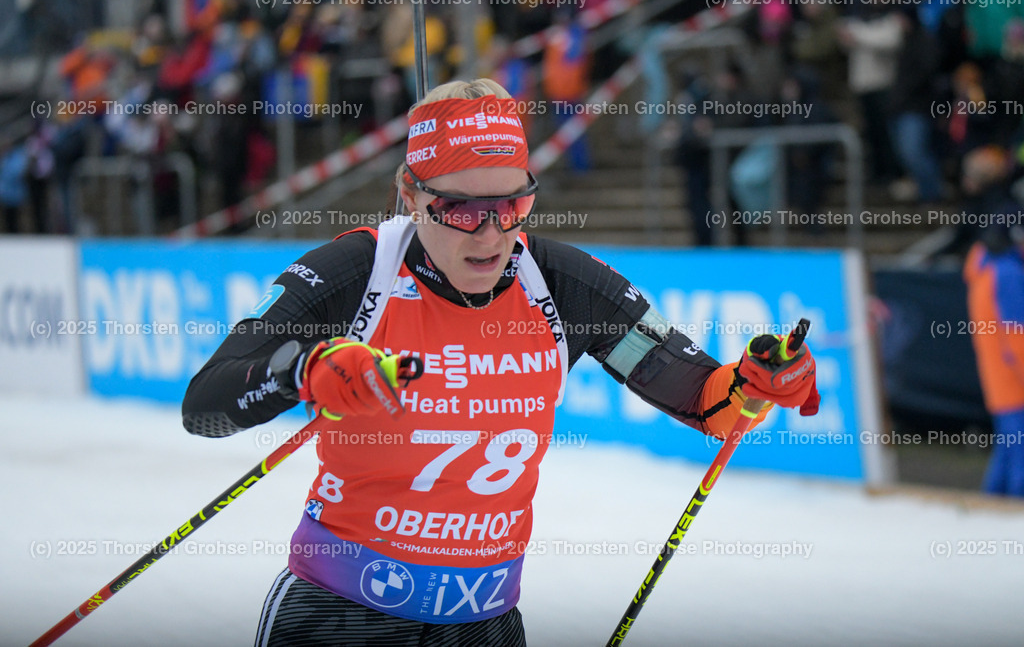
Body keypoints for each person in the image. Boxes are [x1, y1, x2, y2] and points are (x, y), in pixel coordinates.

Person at [182, 78, 820, 645]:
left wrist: (755, 381)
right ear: (410, 192)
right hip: (341, 615)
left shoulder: (563, 285)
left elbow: (706, 399)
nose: (490, 233)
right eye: (460, 208)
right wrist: (302, 371)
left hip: (485, 624)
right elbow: (206, 406)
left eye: (513, 205)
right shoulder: (354, 273)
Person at [963, 208, 1024, 497]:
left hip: (998, 377)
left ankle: (986, 513)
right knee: (1018, 458)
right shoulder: (1008, 274)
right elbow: (1016, 338)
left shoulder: (984, 269)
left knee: (1008, 451)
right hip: (1014, 380)